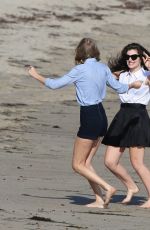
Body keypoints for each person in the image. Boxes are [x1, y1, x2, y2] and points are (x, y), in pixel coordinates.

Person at [27, 38, 142, 208]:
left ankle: (107, 187)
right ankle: (98, 199)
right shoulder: (102, 68)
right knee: (86, 163)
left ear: (79, 52)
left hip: (89, 116)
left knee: (77, 164)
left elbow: (54, 85)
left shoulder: (79, 70)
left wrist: (35, 75)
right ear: (95, 52)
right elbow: (119, 88)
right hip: (101, 116)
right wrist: (132, 85)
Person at [102, 43, 150, 208]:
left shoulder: (146, 75)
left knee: (137, 163)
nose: (130, 59)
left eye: (134, 57)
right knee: (109, 161)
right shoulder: (121, 75)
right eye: (127, 57)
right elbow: (105, 75)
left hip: (138, 117)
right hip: (122, 116)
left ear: (142, 58)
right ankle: (131, 186)